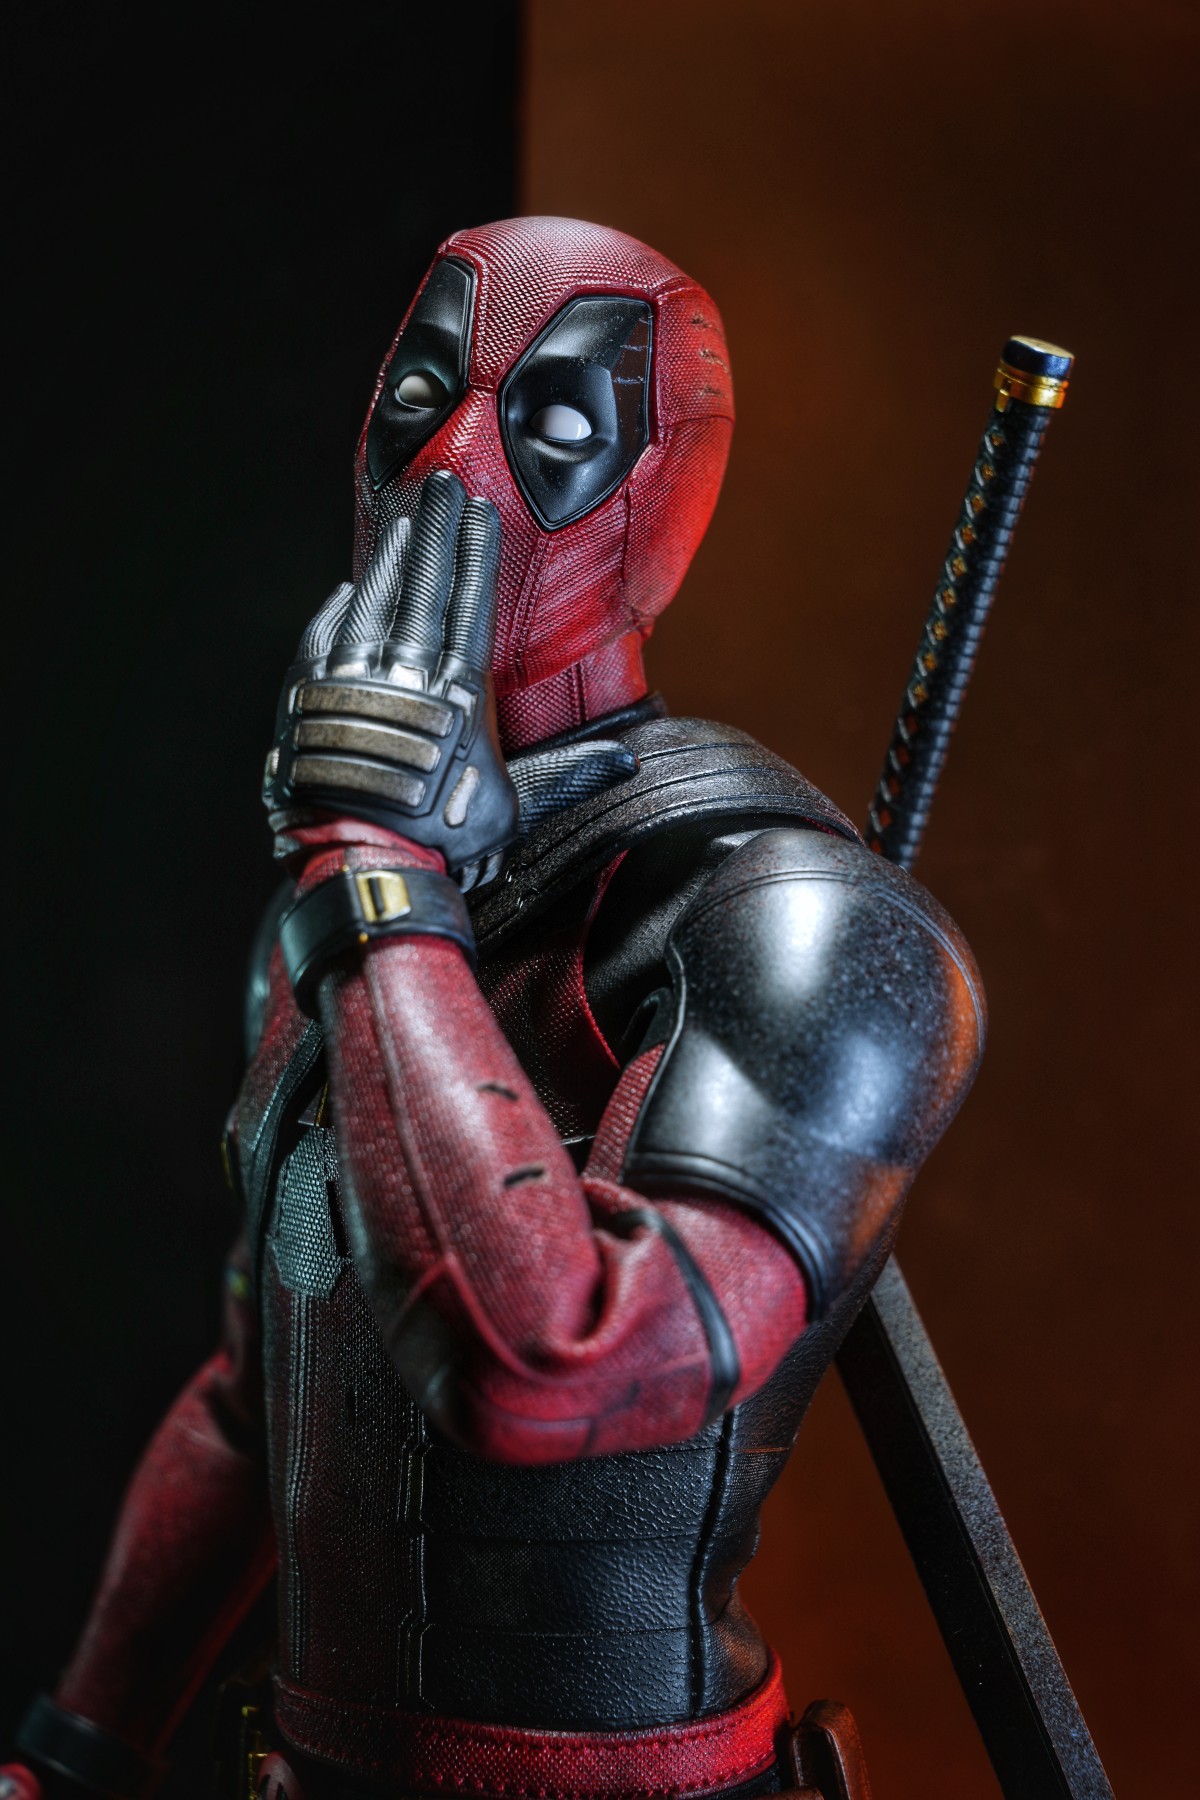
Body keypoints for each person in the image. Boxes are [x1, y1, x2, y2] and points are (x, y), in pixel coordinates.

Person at [7, 217, 984, 1800]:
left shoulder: (789, 919)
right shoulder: (345, 905)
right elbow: (265, 1400)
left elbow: (551, 1376)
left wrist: (379, 880)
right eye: (419, 400)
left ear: (663, 498)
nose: (449, 471)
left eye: (558, 428)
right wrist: (73, 1754)